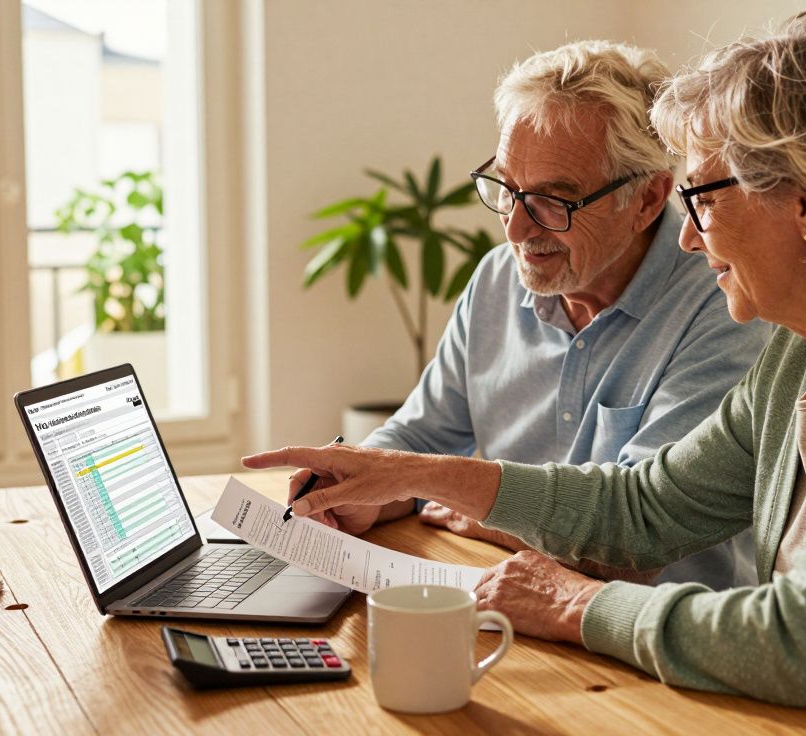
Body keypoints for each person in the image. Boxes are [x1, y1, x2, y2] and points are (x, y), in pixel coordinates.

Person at [244, 11, 806, 733]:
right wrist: (405, 471)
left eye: (701, 196)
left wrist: (575, 602)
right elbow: (644, 509)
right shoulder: (801, 351)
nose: (688, 237)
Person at [290, 40, 767, 588]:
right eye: (507, 189)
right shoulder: (497, 279)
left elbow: (637, 538)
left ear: (647, 198)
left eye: (554, 201)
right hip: (503, 596)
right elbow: (420, 440)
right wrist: (360, 492)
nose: (517, 229)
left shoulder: (725, 304)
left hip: (646, 626)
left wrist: (488, 515)